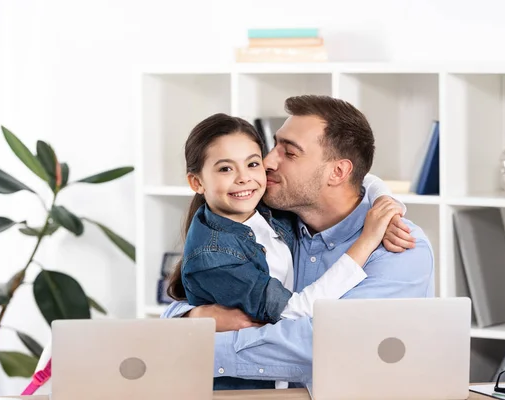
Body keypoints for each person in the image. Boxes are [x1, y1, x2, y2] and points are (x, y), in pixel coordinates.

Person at [162, 94, 434, 389]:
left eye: (289, 153)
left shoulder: (400, 250)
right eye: (273, 146)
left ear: (338, 172)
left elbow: (321, 345)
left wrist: (192, 344)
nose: (266, 162)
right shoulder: (272, 218)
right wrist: (191, 318)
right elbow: (189, 298)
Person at [166, 113, 407, 327]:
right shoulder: (214, 255)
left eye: (252, 163)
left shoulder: (267, 208)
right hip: (242, 376)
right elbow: (293, 312)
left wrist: (384, 202)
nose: (243, 178)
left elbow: (364, 178)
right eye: (225, 169)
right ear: (196, 182)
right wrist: (367, 241)